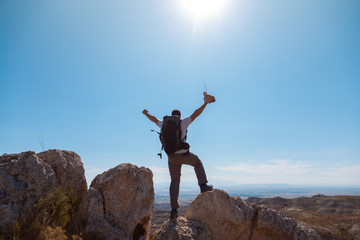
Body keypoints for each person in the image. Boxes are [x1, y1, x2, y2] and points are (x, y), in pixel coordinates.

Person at [143, 94, 214, 219]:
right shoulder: (183, 123)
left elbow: (154, 119)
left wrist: (146, 114)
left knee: (174, 181)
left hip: (171, 158)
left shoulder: (164, 124)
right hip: (183, 155)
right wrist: (205, 103)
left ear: (171, 116)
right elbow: (196, 114)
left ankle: (174, 210)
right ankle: (203, 186)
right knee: (197, 162)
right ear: (179, 116)